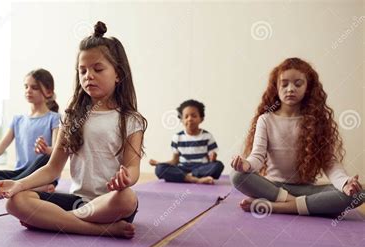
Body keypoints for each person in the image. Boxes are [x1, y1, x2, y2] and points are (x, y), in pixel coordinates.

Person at [0, 22, 148, 239]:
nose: (88, 76)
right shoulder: (73, 117)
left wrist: (126, 179)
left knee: (127, 198)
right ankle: (97, 229)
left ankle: (55, 221)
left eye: (98, 69)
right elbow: (52, 169)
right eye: (82, 71)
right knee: (16, 201)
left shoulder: (131, 120)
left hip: (109, 203)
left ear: (118, 74)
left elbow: (133, 167)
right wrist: (19, 184)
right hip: (78, 202)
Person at [230, 57, 364, 216]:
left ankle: (275, 207)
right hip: (273, 188)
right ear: (276, 88)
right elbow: (257, 157)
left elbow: (329, 163)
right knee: (237, 176)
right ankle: (300, 205)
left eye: (298, 84)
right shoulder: (266, 120)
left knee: (359, 193)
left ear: (308, 88)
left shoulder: (316, 120)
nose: (290, 89)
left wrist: (345, 183)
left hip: (307, 190)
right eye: (284, 84)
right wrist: (246, 165)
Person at [0, 69, 60, 193]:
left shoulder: (54, 118)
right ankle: (23, 186)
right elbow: (0, 147)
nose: (28, 90)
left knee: (46, 157)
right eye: (26, 87)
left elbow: (57, 151)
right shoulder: (18, 119)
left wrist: (46, 150)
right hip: (19, 173)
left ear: (49, 92)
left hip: (41, 173)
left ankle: (18, 185)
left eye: (34, 87)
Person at [149, 99, 224, 184]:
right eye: (186, 116)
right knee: (160, 169)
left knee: (218, 165)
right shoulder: (177, 137)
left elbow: (211, 159)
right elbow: (174, 161)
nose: (190, 119)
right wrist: (159, 163)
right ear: (181, 120)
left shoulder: (207, 136)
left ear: (201, 119)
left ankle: (185, 176)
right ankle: (194, 179)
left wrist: (213, 157)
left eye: (194, 116)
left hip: (201, 168)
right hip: (183, 168)